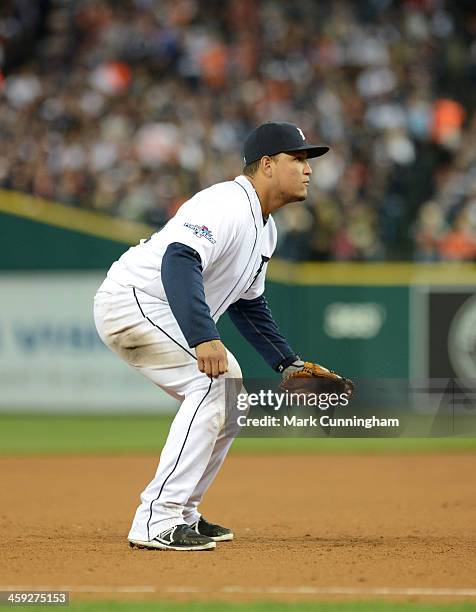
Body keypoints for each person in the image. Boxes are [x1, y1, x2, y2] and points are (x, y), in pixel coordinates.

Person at [93, 122, 329, 551]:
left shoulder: (267, 229)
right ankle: (156, 518)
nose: (308, 169)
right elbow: (178, 260)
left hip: (160, 307)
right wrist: (204, 337)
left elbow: (248, 305)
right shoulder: (226, 202)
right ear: (268, 165)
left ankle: (182, 511)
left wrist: (287, 363)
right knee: (214, 382)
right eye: (298, 159)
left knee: (231, 395)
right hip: (133, 300)